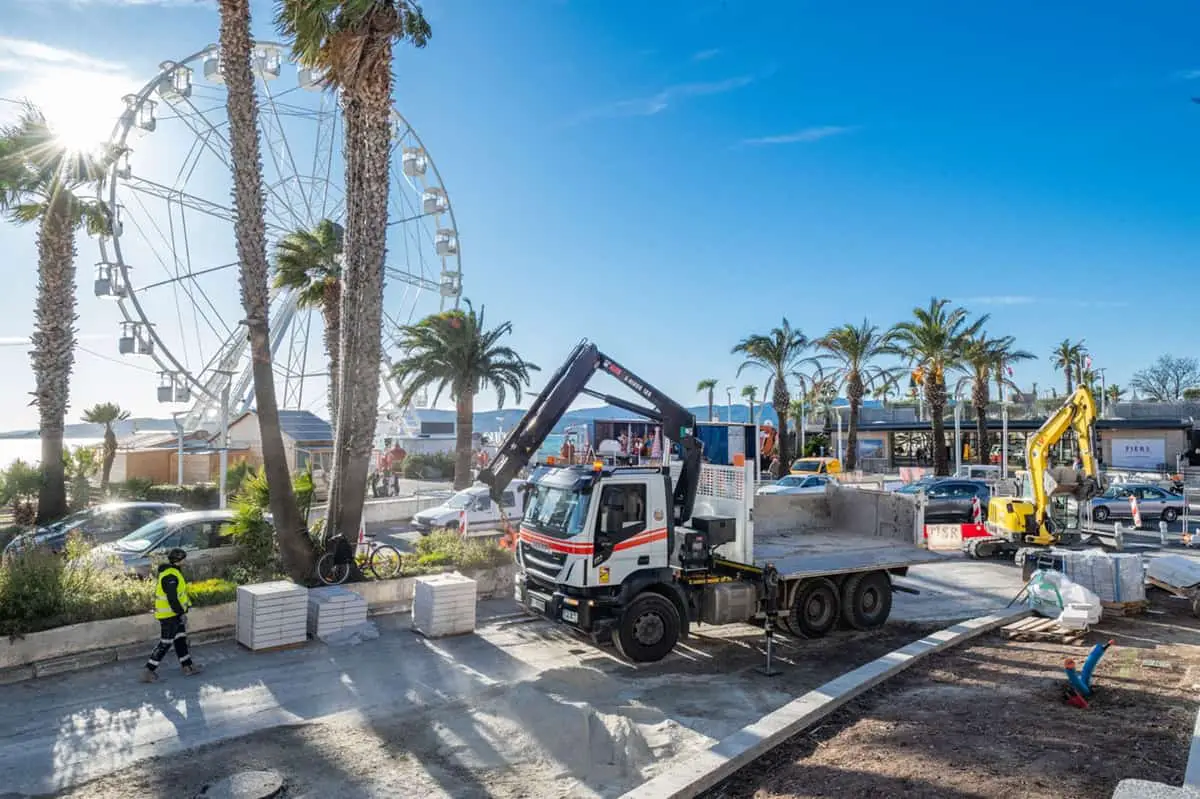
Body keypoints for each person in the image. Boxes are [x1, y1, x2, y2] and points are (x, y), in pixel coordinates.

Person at [140, 548, 203, 682]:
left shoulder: (173, 572)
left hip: (174, 614)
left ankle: (187, 666)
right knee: (165, 643)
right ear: (179, 560)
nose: (185, 561)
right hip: (169, 616)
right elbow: (172, 598)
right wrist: (181, 613)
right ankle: (148, 671)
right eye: (184, 559)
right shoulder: (170, 576)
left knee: (180, 639)